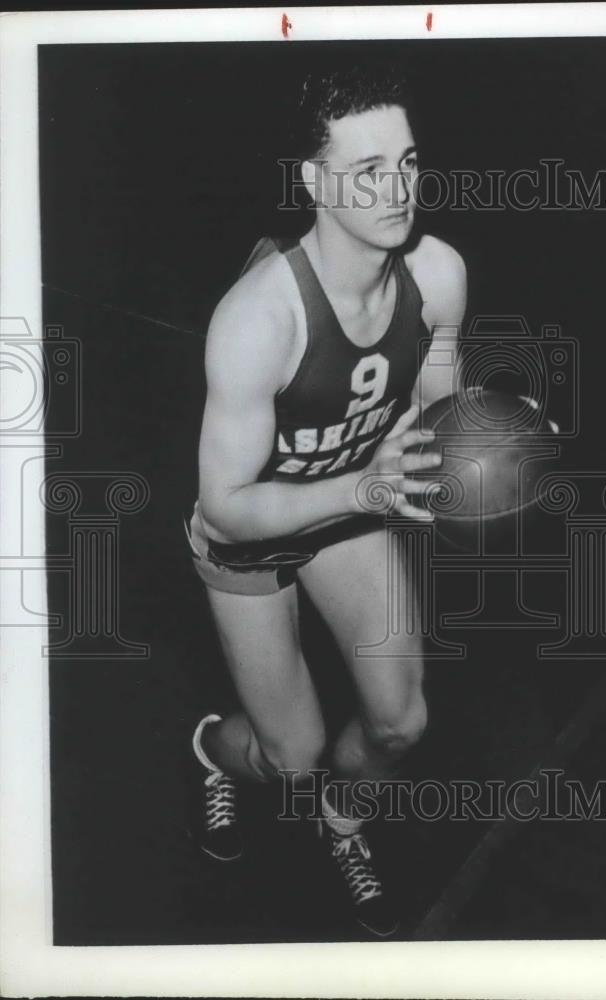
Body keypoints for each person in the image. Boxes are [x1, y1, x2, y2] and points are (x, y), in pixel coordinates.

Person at [185, 64, 466, 937]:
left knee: (399, 723)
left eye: (409, 162)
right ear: (313, 182)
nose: (397, 189)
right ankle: (217, 752)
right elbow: (227, 508)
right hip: (254, 532)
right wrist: (361, 484)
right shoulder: (258, 319)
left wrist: (486, 441)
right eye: (368, 170)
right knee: (292, 754)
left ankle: (343, 823)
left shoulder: (441, 274)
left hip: (350, 505)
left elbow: (440, 409)